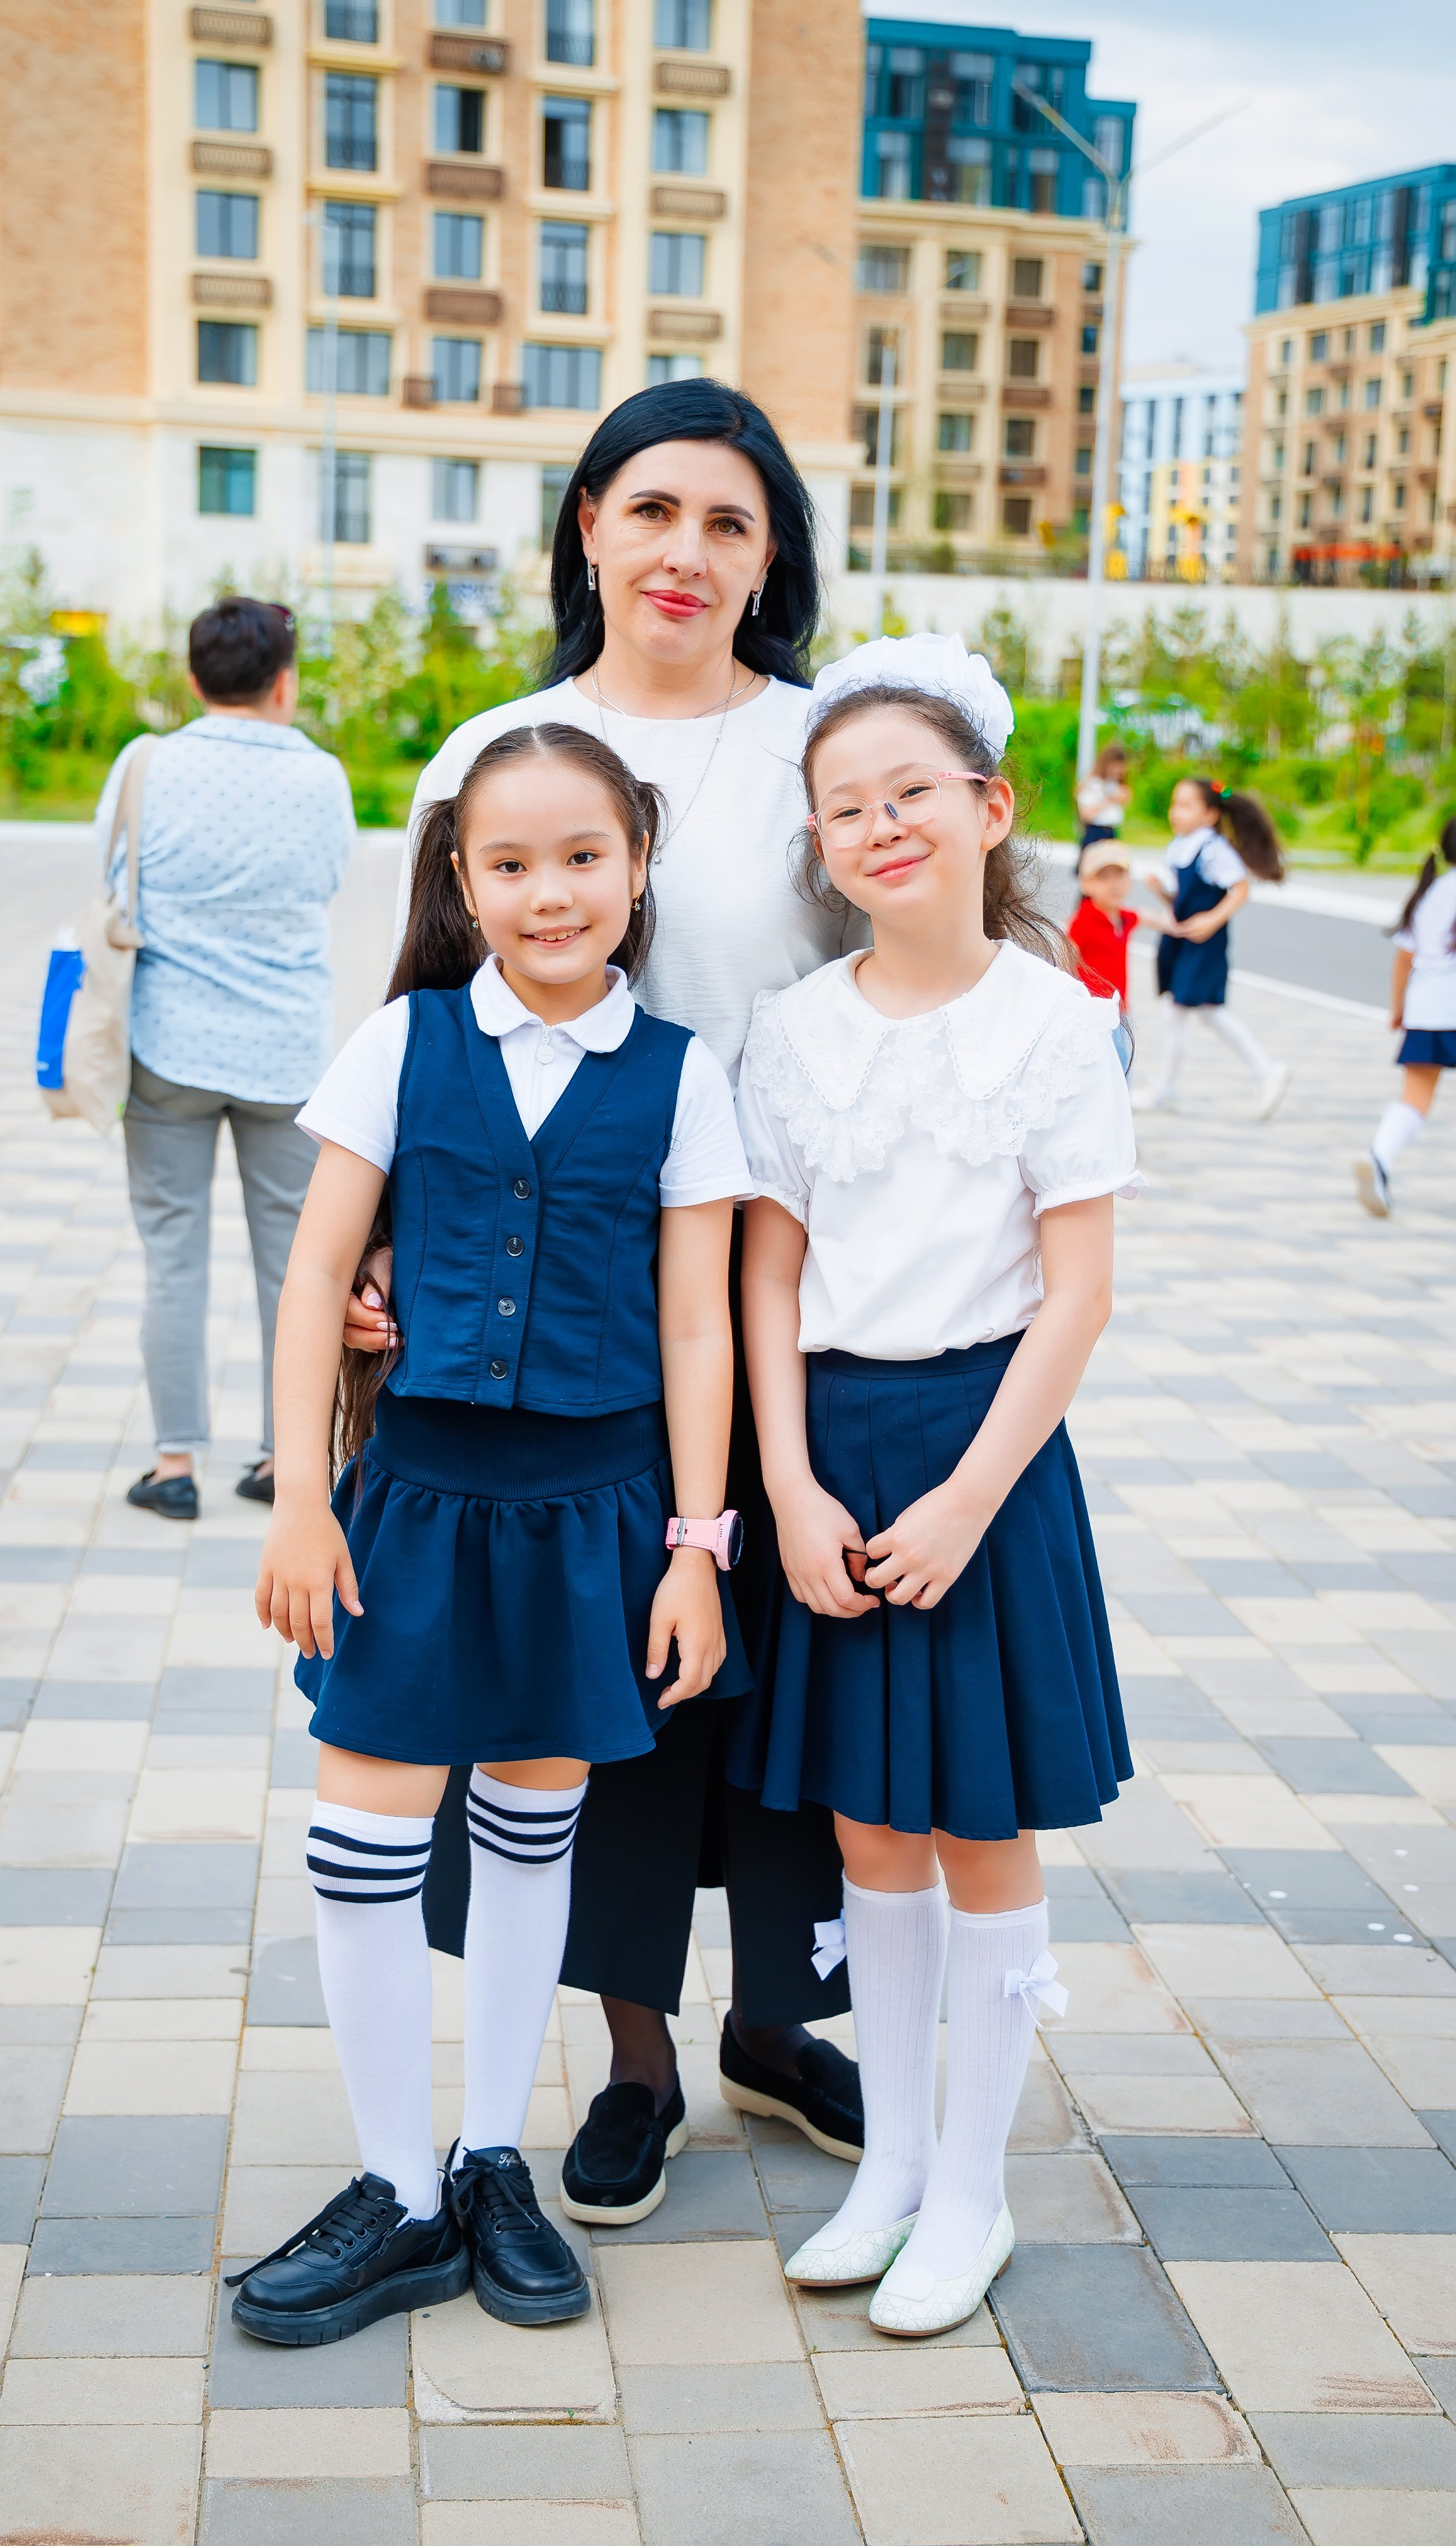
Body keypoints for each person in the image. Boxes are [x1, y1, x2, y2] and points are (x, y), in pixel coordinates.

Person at [341, 379, 868, 2230]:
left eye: (731, 522)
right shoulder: (503, 746)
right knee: (619, 1675)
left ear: (771, 553)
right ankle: (638, 2063)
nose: (688, 552)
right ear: (587, 526)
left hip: (804, 1281)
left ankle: (781, 2026)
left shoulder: (833, 743)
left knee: (801, 1664)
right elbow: (412, 1020)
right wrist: (387, 1261)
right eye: (653, 510)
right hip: (568, 1305)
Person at [227, 723, 751, 2348]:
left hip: (597, 1515)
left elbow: (695, 1334)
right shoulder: (402, 1043)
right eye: (508, 862)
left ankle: (489, 2157)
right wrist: (302, 1495)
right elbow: (318, 1273)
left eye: (580, 856)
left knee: (537, 1830)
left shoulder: (681, 1074)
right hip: (419, 1503)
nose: (547, 891)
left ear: (637, 863)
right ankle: (396, 2186)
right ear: (460, 878)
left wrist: (692, 1546)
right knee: (363, 1838)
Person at [731, 635, 1139, 2337]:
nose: (879, 825)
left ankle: (971, 2188)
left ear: (987, 806)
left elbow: (1078, 1288)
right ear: (818, 842)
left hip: (987, 1455)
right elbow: (764, 1273)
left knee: (980, 1824)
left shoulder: (1056, 1021)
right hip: (830, 1450)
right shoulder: (789, 1027)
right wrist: (790, 1486)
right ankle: (886, 2165)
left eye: (911, 792)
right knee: (864, 1830)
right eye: (844, 806)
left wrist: (971, 1495)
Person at [108, 596, 356, 1521]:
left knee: (172, 1256)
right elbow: (331, 879)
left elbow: (110, 877)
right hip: (283, 1055)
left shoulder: (148, 765)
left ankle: (174, 1466)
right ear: (284, 682)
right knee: (295, 1263)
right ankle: (278, 1459)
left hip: (165, 1046)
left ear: (193, 678)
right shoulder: (321, 776)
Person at [1134, 775, 1290, 1121]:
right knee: (1194, 1012)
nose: (1177, 812)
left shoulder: (1213, 848)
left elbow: (1240, 889)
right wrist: (1160, 891)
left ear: (1210, 815)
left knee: (1192, 1011)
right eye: (1175, 804)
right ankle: (1170, 1088)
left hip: (1204, 945)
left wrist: (1211, 921)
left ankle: (1266, 1069)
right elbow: (1181, 899)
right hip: (1183, 940)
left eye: (1187, 805)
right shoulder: (1181, 845)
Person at [1355, 815, 1456, 1217]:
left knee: (1414, 1100)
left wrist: (1399, 1010)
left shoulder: (1432, 892)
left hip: (1426, 1008)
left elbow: (1405, 960)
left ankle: (1379, 1157)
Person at [1068, 842, 1138, 1071]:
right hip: (1093, 1013)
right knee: (1104, 1073)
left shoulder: (1124, 918)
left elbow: (1151, 918)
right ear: (1085, 883)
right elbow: (1065, 960)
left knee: (1123, 1067)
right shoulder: (1083, 922)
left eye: (1120, 875)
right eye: (1103, 877)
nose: (1114, 884)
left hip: (1120, 1010)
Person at [1076, 743, 1130, 849]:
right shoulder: (1093, 784)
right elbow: (1087, 815)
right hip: (1096, 832)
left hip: (1112, 832)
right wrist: (1109, 800)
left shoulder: (1115, 784)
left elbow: (1126, 796)